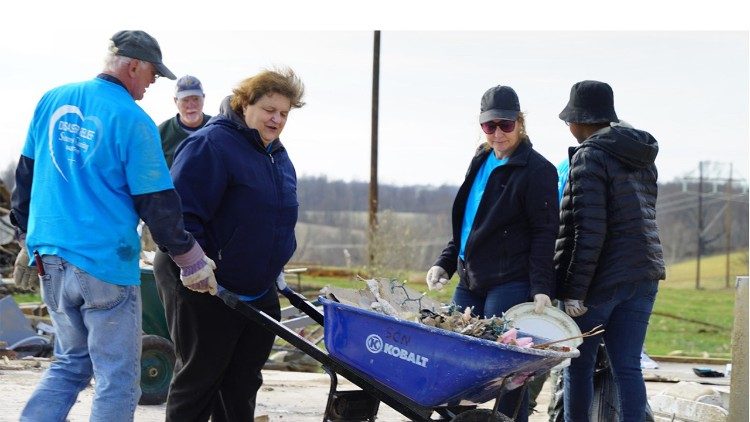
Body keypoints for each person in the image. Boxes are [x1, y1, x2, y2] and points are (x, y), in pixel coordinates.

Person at [9, 30, 217, 422]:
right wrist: (191, 259)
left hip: (50, 259)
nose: (154, 81)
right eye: (153, 72)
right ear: (133, 65)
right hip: (103, 264)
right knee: (118, 378)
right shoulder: (133, 121)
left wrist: (25, 237)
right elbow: (156, 201)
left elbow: (27, 175)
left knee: (70, 364)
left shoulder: (52, 99)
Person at [153, 67, 305, 421]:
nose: (277, 119)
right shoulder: (211, 144)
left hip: (255, 290)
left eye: (284, 113)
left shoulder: (275, 154)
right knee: (200, 381)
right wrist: (196, 264)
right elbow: (179, 213)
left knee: (241, 385)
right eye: (269, 109)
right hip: (205, 285)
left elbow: (274, 216)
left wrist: (274, 263)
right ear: (244, 103)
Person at [425, 85, 559, 421]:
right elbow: (468, 221)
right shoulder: (481, 159)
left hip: (509, 282)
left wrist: (542, 285)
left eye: (505, 125)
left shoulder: (537, 170)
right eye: (489, 126)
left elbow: (546, 232)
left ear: (520, 122)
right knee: (451, 361)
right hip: (470, 279)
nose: (497, 134)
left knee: (507, 374)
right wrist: (446, 261)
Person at [554, 80, 665, 422]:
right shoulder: (641, 155)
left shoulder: (590, 156)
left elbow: (588, 231)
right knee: (628, 368)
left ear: (582, 120)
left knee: (578, 364)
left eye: (569, 120)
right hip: (644, 274)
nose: (568, 128)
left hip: (602, 280)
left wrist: (573, 292)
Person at [158, 75, 211, 168]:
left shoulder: (217, 127)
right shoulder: (161, 132)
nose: (191, 105)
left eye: (196, 99)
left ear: (204, 98)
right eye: (185, 100)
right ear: (175, 101)